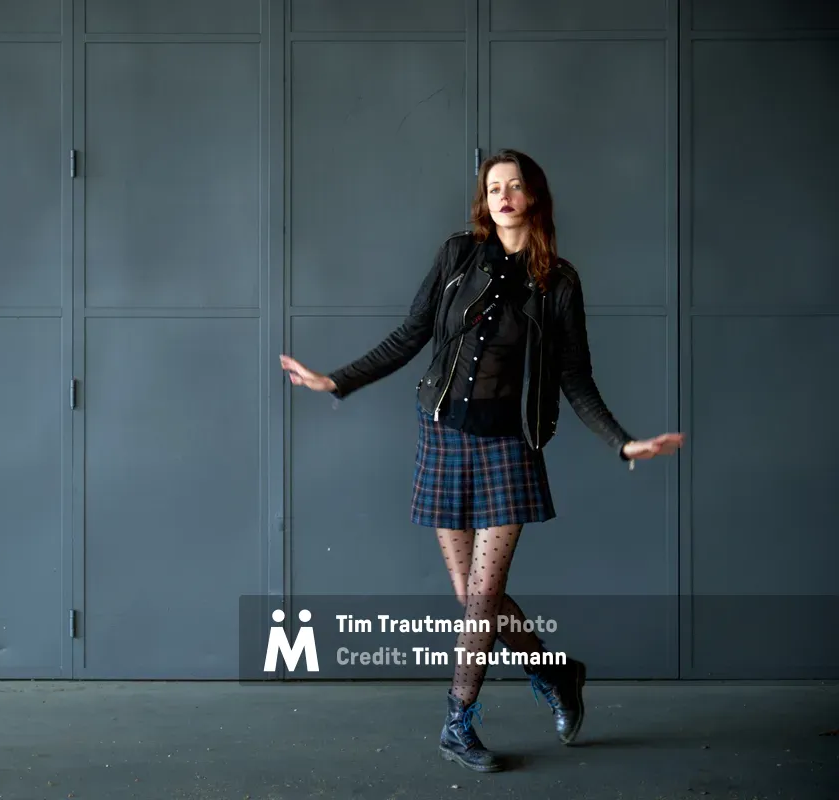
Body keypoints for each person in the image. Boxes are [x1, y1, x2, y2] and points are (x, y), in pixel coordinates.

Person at [279, 149, 683, 773]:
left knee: (482, 596)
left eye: (515, 185)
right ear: (484, 200)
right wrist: (337, 381)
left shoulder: (559, 281)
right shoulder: (456, 256)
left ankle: (456, 724)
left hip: (508, 446)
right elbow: (411, 333)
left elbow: (575, 377)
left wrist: (622, 443)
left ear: (534, 198)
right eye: (493, 187)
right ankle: (556, 674)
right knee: (474, 598)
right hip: (442, 435)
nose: (503, 195)